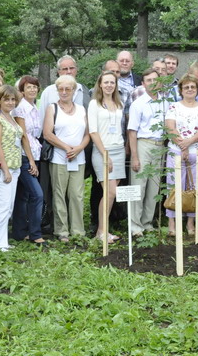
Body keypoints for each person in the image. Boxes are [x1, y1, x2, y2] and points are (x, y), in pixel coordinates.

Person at [0, 85, 36, 252]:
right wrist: (5, 169)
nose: (10, 102)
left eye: (13, 99)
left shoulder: (11, 118)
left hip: (15, 166)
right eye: (6, 99)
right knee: (0, 206)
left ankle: (2, 240)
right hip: (3, 168)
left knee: (8, 207)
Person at [43, 75, 90, 241]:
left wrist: (78, 148)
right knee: (59, 195)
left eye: (67, 89)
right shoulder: (52, 108)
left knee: (77, 195)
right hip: (59, 158)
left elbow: (87, 135)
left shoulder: (82, 109)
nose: (64, 92)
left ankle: (78, 230)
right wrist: (66, 148)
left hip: (78, 158)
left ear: (73, 91)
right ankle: (61, 231)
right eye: (60, 89)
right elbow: (47, 133)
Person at [165, 75, 198, 236]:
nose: (190, 90)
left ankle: (191, 223)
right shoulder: (174, 107)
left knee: (195, 187)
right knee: (174, 185)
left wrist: (188, 142)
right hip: (176, 151)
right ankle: (172, 223)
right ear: (181, 90)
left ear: (197, 90)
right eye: (186, 87)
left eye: (193, 87)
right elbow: (170, 127)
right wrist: (182, 145)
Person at [126, 69, 168, 236]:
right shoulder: (138, 104)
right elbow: (132, 131)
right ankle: (135, 226)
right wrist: (135, 156)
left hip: (160, 146)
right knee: (139, 185)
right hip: (143, 144)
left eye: (155, 80)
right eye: (148, 80)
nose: (152, 83)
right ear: (143, 84)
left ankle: (147, 222)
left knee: (153, 187)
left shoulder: (166, 102)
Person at [88, 70, 126, 242]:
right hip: (103, 151)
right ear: (100, 84)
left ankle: (103, 231)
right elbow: (93, 132)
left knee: (112, 193)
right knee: (109, 191)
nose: (109, 85)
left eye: (112, 82)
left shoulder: (119, 104)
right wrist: (105, 154)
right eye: (106, 82)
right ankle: (101, 231)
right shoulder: (94, 104)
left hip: (118, 150)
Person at [11, 75, 45, 245]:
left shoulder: (35, 107)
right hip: (25, 156)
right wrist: (31, 161)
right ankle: (35, 233)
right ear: (22, 90)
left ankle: (18, 232)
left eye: (34, 86)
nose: (32, 90)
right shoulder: (20, 108)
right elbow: (23, 135)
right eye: (28, 87)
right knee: (37, 194)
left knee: (23, 195)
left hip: (35, 154)